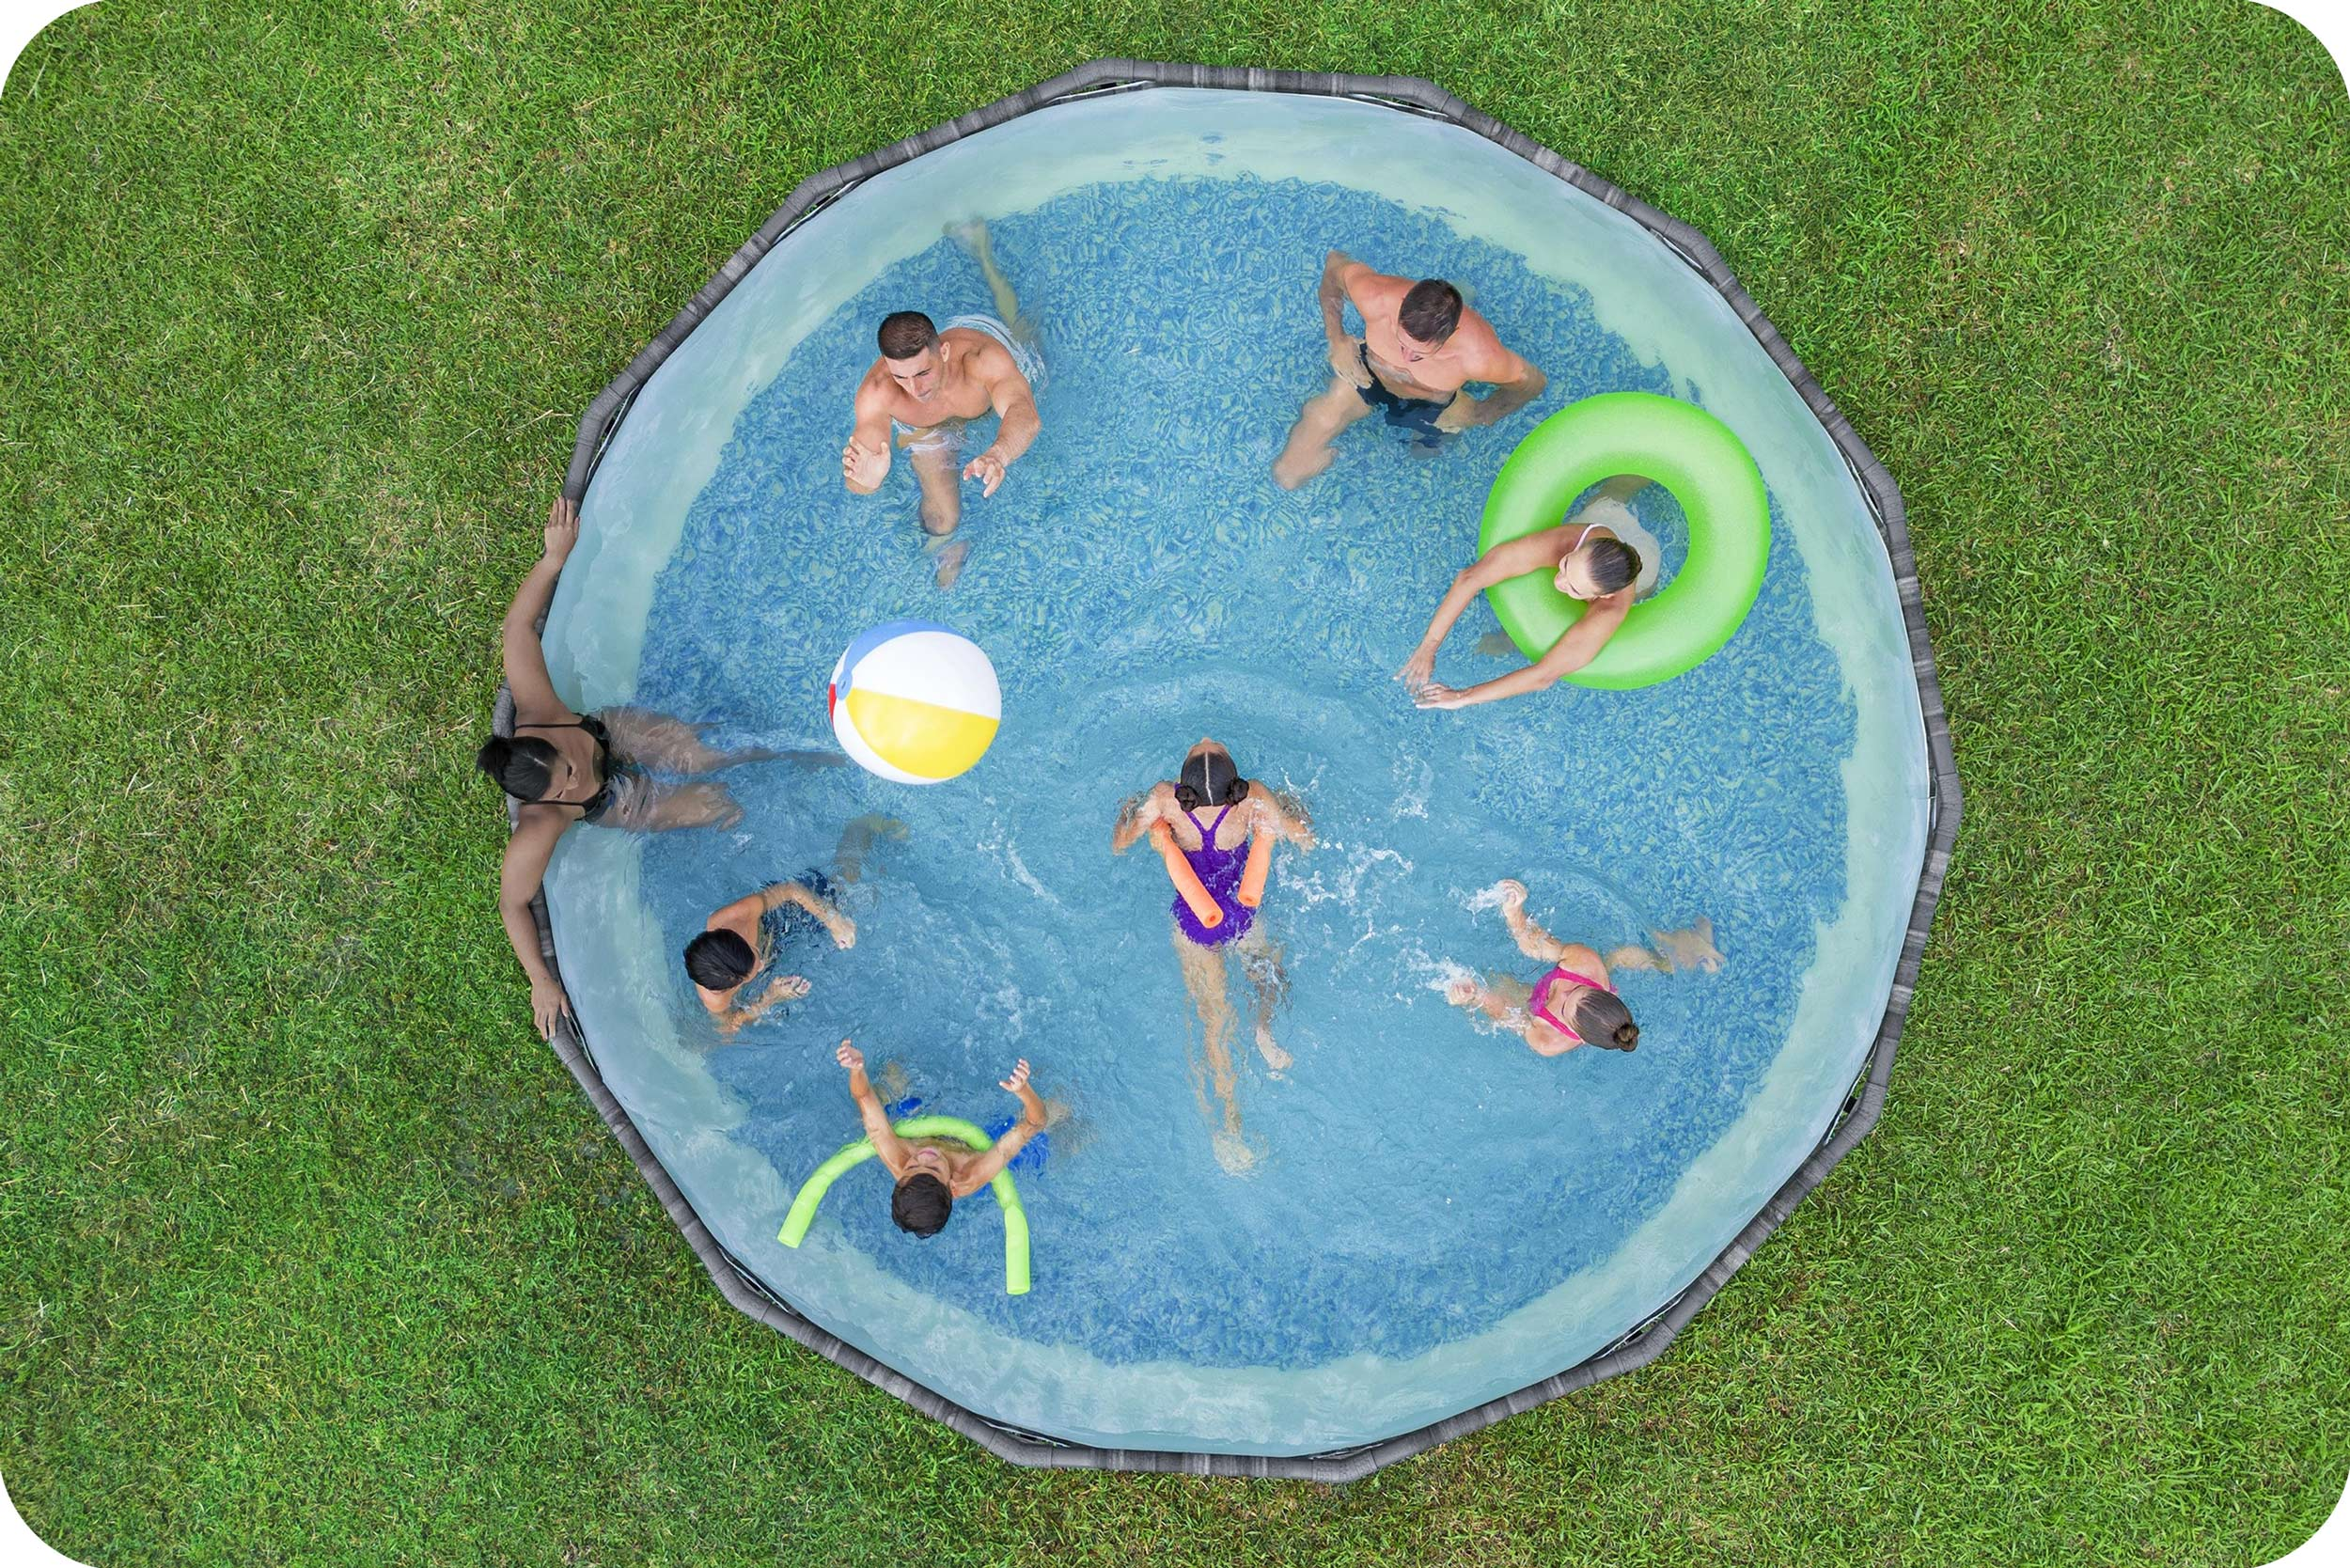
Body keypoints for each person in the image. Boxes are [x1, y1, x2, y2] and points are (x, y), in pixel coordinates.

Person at [478, 498, 786, 1038]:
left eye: (565, 769)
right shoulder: (540, 825)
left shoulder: (537, 709)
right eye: (560, 789)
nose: (572, 778)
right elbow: (511, 903)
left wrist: (553, 560)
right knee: (717, 806)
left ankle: (784, 749)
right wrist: (539, 980)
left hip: (609, 733)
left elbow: (514, 630)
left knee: (714, 752)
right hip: (613, 804)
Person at [1111, 738, 1316, 1171]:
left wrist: (1128, 811)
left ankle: (1229, 1125)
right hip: (1242, 911)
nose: (1204, 738)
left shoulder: (1165, 800)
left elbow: (1120, 843)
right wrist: (1296, 808)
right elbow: (1304, 839)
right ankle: (1263, 1028)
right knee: (1268, 971)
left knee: (1214, 1019)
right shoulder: (1253, 797)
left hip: (1194, 920)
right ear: (1234, 782)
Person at [839, 221, 1043, 588]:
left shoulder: (982, 359)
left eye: (923, 373)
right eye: (901, 376)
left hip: (990, 352)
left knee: (1026, 332)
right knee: (943, 519)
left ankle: (983, 254)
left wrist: (998, 453)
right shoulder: (878, 391)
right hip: (929, 427)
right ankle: (945, 544)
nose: (914, 389)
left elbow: (1024, 414)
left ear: (944, 352)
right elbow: (858, 477)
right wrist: (870, 480)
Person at [1274, 251, 1546, 488]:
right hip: (1368, 374)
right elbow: (1334, 264)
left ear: (1450, 336)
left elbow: (1532, 382)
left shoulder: (1479, 356)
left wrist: (1483, 413)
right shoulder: (1376, 296)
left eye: (1417, 354)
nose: (1404, 356)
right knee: (1288, 473)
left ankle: (1465, 295)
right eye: (1399, 339)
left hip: (1435, 403)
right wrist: (1337, 339)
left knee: (1423, 457)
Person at [1396, 478, 1665, 710]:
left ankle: (1510, 640)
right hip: (1608, 522)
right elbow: (1470, 578)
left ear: (1601, 597)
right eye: (1565, 566)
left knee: (1539, 634)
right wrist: (1428, 646)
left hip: (1643, 568)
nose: (1559, 583)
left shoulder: (1610, 610)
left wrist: (1461, 697)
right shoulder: (1569, 541)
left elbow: (1543, 675)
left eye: (1572, 587)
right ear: (1578, 548)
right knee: (1612, 494)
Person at [1443, 878, 1719, 1057]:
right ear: (1602, 991)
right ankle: (1671, 959)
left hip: (1534, 1007)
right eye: (1573, 990)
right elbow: (1534, 945)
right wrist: (1515, 912)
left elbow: (1508, 1016)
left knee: (1500, 985)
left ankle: (1680, 958)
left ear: (1579, 1037)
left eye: (1565, 1006)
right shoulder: (1586, 966)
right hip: (1593, 977)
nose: (1559, 994)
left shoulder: (1549, 1041)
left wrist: (1475, 997)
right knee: (1619, 956)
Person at [682, 816, 905, 1035]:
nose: (761, 965)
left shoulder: (735, 917)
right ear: (731, 985)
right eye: (756, 967)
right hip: (777, 949)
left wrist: (832, 919)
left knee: (846, 888)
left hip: (777, 915)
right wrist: (770, 997)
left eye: (755, 952)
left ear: (734, 936)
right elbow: (729, 1028)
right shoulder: (715, 999)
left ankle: (862, 826)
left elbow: (790, 890)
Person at [832, 1039, 1046, 1238]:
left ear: (901, 1180)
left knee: (891, 1073)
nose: (925, 1157)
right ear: (951, 1187)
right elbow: (1035, 1124)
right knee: (1055, 1111)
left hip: (916, 1121)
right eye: (934, 1169)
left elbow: (864, 1096)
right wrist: (1024, 1091)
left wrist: (857, 1070)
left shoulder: (899, 1160)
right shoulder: (969, 1173)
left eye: (912, 1166)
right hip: (975, 1140)